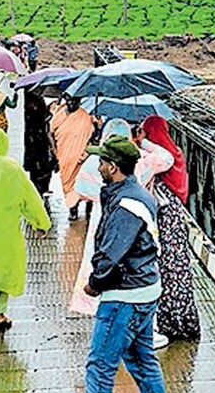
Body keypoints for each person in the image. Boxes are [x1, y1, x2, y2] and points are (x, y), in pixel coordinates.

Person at [74, 135, 169, 393]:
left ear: (113, 167)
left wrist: (93, 283)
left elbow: (111, 254)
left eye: (102, 161)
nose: (98, 164)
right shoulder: (135, 193)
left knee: (100, 368)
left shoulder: (126, 203)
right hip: (145, 291)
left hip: (124, 299)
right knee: (143, 363)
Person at [69, 120, 171, 319]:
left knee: (102, 252)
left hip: (102, 216)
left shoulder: (95, 163)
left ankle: (97, 298)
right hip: (141, 225)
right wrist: (143, 143)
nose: (100, 167)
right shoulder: (141, 162)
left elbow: (80, 188)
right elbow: (167, 159)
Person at [0, 127, 52, 333]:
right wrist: (41, 223)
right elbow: (30, 197)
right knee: (5, 271)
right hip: (7, 231)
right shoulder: (12, 168)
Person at [141, 115, 200, 342]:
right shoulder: (174, 151)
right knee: (178, 270)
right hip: (176, 218)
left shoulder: (159, 158)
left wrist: (142, 144)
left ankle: (168, 321)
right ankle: (182, 320)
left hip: (164, 222)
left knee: (164, 269)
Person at [50, 96, 95, 221]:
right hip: (63, 155)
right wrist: (54, 150)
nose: (71, 103)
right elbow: (50, 132)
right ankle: (73, 209)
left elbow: (91, 134)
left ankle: (88, 210)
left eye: (74, 101)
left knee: (85, 181)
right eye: (69, 100)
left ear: (79, 102)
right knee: (68, 184)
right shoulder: (59, 113)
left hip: (80, 156)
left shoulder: (85, 117)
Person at [23, 92, 56, 196]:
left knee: (37, 165)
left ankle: (38, 186)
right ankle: (41, 187)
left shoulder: (29, 105)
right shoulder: (36, 104)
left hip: (33, 140)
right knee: (42, 164)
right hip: (39, 140)